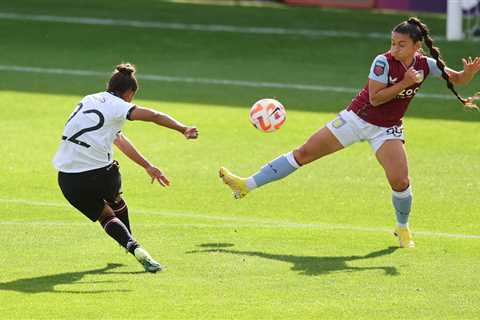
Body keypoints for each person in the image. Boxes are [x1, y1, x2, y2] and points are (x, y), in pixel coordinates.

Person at [219, 17, 480, 248]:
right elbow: (376, 99)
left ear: (416, 47)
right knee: (303, 153)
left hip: (387, 129)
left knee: (400, 181)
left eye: (401, 44)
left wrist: (466, 75)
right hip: (356, 119)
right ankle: (245, 185)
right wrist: (406, 82)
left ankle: (402, 228)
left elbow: (456, 79)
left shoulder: (425, 65)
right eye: (392, 42)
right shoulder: (382, 62)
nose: (394, 48)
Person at [53, 63, 198, 272]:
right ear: (129, 94)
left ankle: (132, 246)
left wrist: (147, 165)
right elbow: (155, 116)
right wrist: (182, 128)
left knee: (106, 216)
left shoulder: (88, 99)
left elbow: (118, 139)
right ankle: (130, 241)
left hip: (68, 179)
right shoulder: (119, 106)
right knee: (115, 201)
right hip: (101, 175)